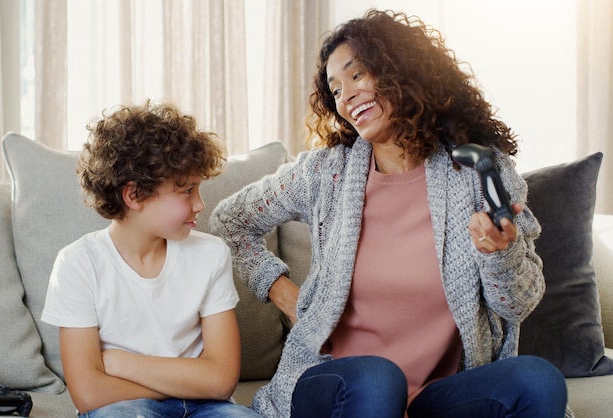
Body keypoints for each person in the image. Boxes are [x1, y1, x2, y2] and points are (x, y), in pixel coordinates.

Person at [209, 9, 570, 418]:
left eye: (357, 75)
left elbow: (518, 304)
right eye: (336, 89)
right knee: (379, 380)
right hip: (338, 387)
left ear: (402, 71)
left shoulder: (479, 173)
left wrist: (499, 253)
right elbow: (229, 220)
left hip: (437, 398)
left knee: (538, 380)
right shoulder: (325, 174)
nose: (346, 96)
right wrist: (284, 293)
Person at [41, 101, 261, 418]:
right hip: (121, 407)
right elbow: (89, 393)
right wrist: (190, 380)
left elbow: (221, 381)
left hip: (207, 408)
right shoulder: (77, 264)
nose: (200, 205)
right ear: (134, 195)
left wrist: (119, 364)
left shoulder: (210, 254)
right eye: (186, 190)